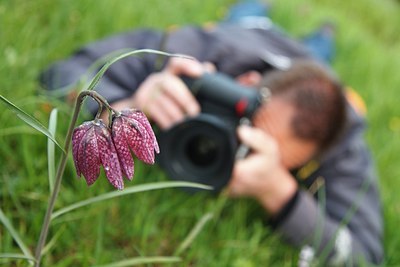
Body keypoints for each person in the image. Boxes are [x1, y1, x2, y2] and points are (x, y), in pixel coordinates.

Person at [40, 2, 383, 265]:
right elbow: (60, 74)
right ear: (245, 84)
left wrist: (281, 191)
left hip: (303, 68)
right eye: (244, 135)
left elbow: (365, 257)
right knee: (247, 15)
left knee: (320, 50)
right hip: (251, 34)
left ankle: (324, 35)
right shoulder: (201, 52)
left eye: (269, 157)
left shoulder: (344, 145)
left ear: (313, 160)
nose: (234, 159)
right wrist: (124, 103)